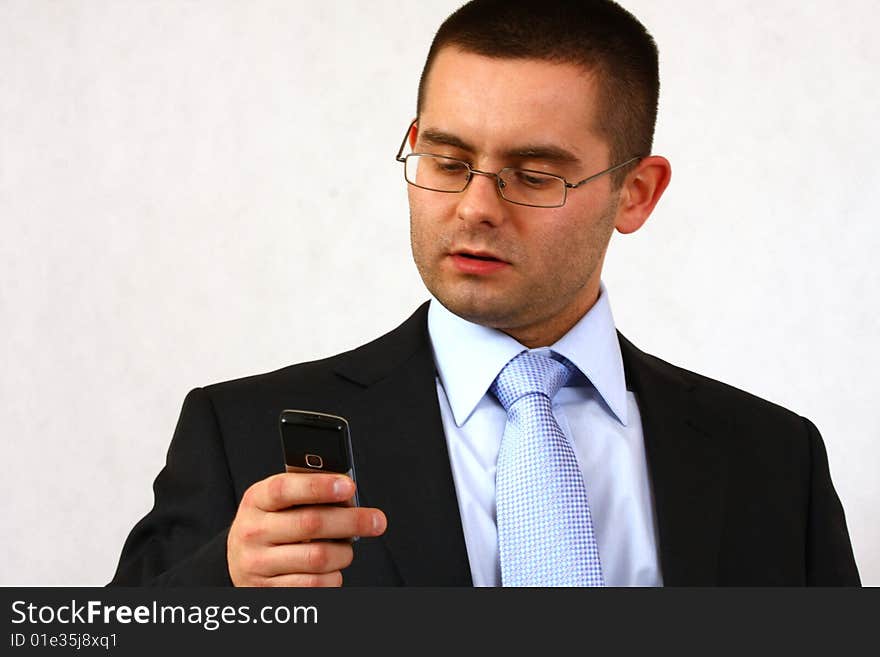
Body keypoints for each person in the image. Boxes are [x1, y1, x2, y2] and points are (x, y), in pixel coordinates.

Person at [110, 0, 860, 587]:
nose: (474, 206)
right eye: (446, 159)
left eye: (533, 175)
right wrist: (222, 585)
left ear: (635, 193)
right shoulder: (240, 432)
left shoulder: (774, 457)